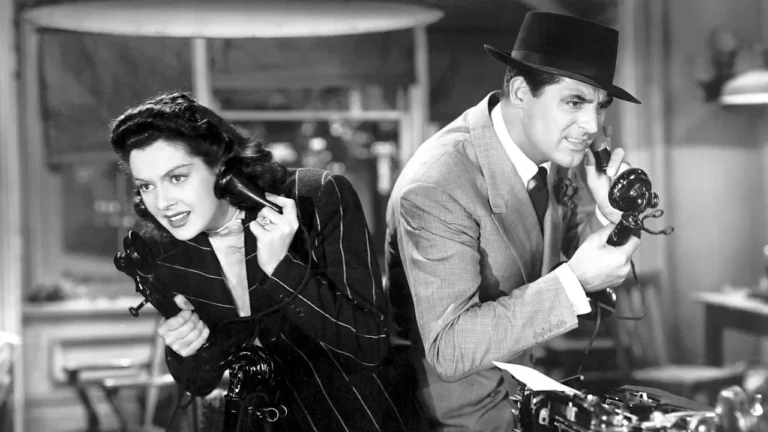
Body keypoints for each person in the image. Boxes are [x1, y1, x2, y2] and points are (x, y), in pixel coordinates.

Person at [385, 11, 643, 431]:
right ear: (521, 92)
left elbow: (580, 277)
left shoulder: (554, 157)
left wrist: (611, 218)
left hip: (525, 401)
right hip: (455, 419)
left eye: (600, 106)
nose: (592, 125)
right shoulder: (437, 185)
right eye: (574, 102)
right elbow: (450, 349)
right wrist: (574, 282)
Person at [109, 92, 419, 431]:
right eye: (147, 186)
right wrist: (184, 345)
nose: (162, 202)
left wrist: (281, 270)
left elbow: (369, 345)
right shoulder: (167, 249)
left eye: (177, 178)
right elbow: (198, 383)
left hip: (356, 420)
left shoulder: (315, 197)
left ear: (220, 166)